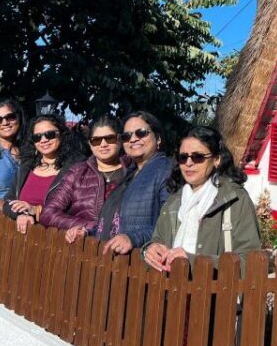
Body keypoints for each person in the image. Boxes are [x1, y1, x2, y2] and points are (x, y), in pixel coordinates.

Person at [143, 126, 261, 274]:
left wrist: (193, 261)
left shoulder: (235, 200)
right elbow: (157, 242)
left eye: (197, 157)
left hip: (215, 294)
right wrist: (150, 250)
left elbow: (250, 262)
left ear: (217, 159)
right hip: (171, 293)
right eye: (183, 157)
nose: (189, 163)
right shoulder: (173, 203)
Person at [40, 115, 131, 241]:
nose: (103, 144)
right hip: (84, 247)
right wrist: (91, 227)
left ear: (120, 139)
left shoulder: (133, 171)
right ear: (90, 144)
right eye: (96, 140)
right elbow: (48, 213)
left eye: (109, 138)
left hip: (124, 251)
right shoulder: (78, 172)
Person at [99, 111, 171, 255]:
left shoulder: (166, 170)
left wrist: (133, 238)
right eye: (126, 136)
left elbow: (170, 223)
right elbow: (113, 220)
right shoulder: (129, 174)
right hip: (110, 260)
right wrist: (85, 231)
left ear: (158, 139)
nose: (133, 139)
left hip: (139, 261)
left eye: (141, 133)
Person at [3, 114, 84, 234]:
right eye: (37, 137)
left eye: (49, 134)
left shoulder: (77, 167)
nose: (43, 140)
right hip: (23, 239)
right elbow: (8, 202)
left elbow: (76, 210)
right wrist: (21, 213)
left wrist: (34, 211)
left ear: (61, 134)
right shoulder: (26, 167)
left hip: (58, 239)